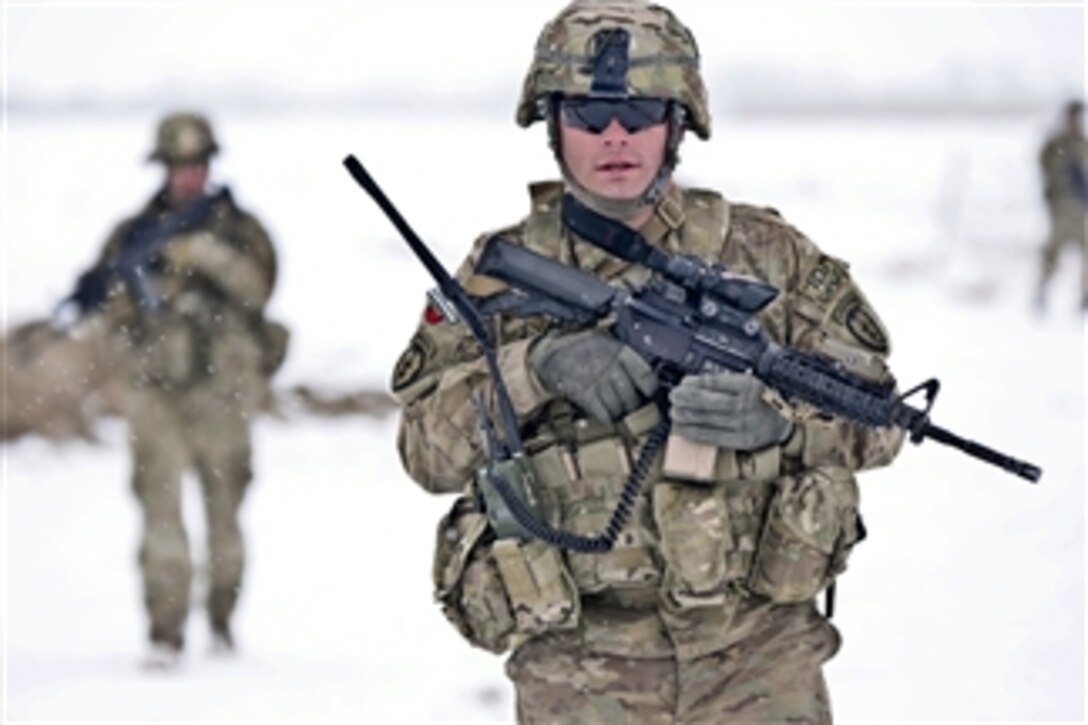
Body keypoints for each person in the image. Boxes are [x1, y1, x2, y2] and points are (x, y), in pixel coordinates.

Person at [391, 1, 904, 721]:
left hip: (758, 657)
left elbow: (882, 422)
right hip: (577, 667)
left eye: (639, 113)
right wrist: (535, 368)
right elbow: (425, 454)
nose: (615, 137)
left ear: (679, 123)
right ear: (551, 124)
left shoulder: (768, 255)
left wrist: (779, 426)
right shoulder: (500, 274)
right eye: (588, 115)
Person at [58, 111, 286, 667]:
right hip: (156, 395)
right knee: (160, 519)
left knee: (225, 521)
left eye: (196, 164)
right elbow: (107, 304)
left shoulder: (240, 229)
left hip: (223, 397)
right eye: (177, 165)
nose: (187, 175)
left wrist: (199, 253)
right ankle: (165, 632)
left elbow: (258, 291)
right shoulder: (132, 233)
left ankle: (222, 623)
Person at [1035, 99, 1087, 313]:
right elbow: (1045, 168)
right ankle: (1041, 293)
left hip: (1082, 210)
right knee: (1052, 254)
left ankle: (1084, 298)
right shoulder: (1055, 144)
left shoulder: (1082, 142)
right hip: (1061, 210)